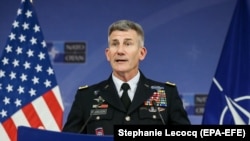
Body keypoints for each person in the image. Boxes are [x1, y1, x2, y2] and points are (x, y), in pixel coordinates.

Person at [62, 19, 191, 135]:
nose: (120, 51)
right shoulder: (86, 97)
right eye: (114, 44)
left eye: (128, 44)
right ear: (108, 54)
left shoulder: (166, 94)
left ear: (142, 53)